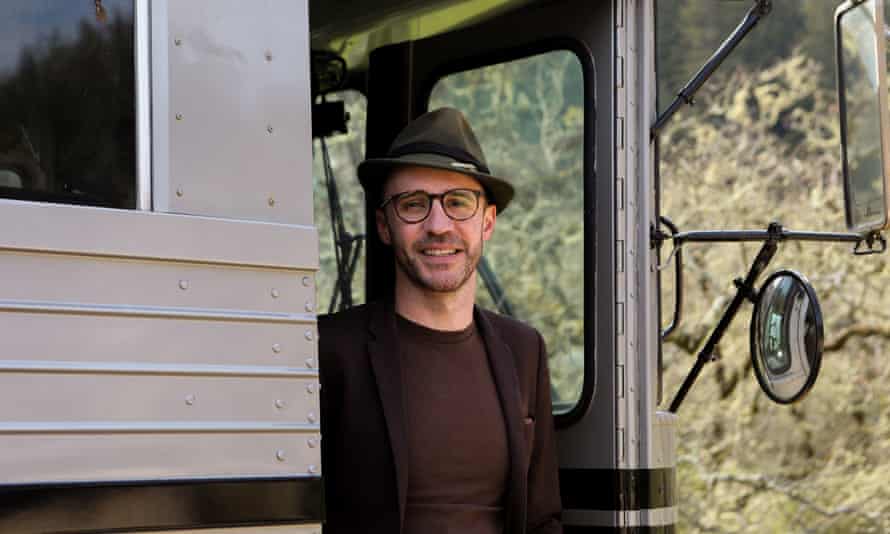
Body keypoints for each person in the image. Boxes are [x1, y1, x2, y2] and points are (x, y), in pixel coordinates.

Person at [319, 108, 562, 534]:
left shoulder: (524, 350)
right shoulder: (330, 349)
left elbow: (543, 520)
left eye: (457, 203)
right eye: (413, 205)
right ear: (384, 225)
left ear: (487, 223)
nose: (438, 225)